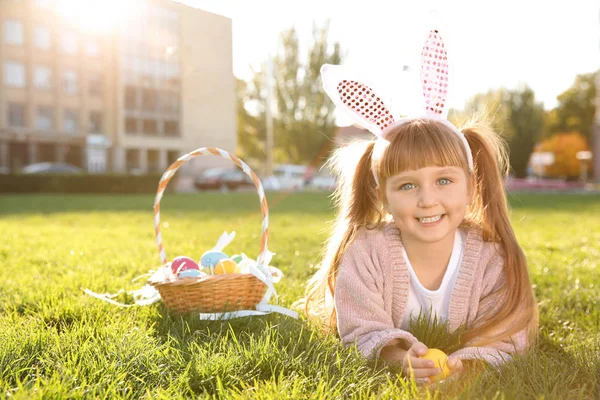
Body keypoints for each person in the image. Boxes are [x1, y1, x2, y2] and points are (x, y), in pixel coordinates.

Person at [302, 29, 539, 386]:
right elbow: (360, 328)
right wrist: (399, 358)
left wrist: (468, 365)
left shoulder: (491, 260)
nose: (427, 199)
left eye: (444, 181)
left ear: (471, 187)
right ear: (383, 195)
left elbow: (508, 333)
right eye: (407, 185)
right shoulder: (366, 253)